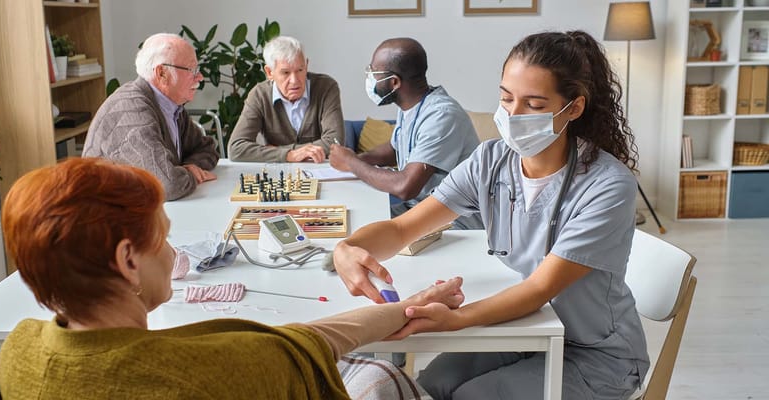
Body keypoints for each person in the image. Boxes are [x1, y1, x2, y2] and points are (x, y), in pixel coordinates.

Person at [333, 31, 649, 399]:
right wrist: (347, 247)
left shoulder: (608, 186)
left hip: (594, 353)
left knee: (470, 396)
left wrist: (456, 320)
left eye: (532, 105)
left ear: (573, 108)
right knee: (429, 387)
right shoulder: (491, 161)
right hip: (527, 328)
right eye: (506, 98)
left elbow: (539, 287)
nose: (513, 115)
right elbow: (403, 228)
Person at [0, 157, 464, 399]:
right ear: (127, 260)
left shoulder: (17, 350)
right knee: (381, 376)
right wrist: (413, 303)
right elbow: (303, 345)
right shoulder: (206, 373)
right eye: (161, 238)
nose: (173, 252)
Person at [329, 38, 482, 229]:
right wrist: (358, 158)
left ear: (394, 83)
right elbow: (395, 148)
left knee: (361, 234)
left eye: (373, 72)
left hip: (453, 223)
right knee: (352, 221)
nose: (369, 77)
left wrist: (351, 163)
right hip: (419, 210)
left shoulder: (442, 116)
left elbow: (405, 187)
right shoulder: (410, 105)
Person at [82, 33, 218, 201]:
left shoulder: (172, 106)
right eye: (192, 70)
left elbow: (207, 149)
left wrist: (185, 168)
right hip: (103, 219)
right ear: (162, 73)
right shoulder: (132, 111)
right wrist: (188, 172)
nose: (200, 77)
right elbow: (168, 185)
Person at [228, 36, 344, 163]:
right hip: (279, 176)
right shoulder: (259, 95)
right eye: (285, 73)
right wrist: (289, 155)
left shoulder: (326, 87)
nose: (294, 81)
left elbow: (335, 142)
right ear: (269, 72)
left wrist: (277, 150)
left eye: (300, 70)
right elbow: (236, 148)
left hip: (320, 171)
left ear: (306, 65)